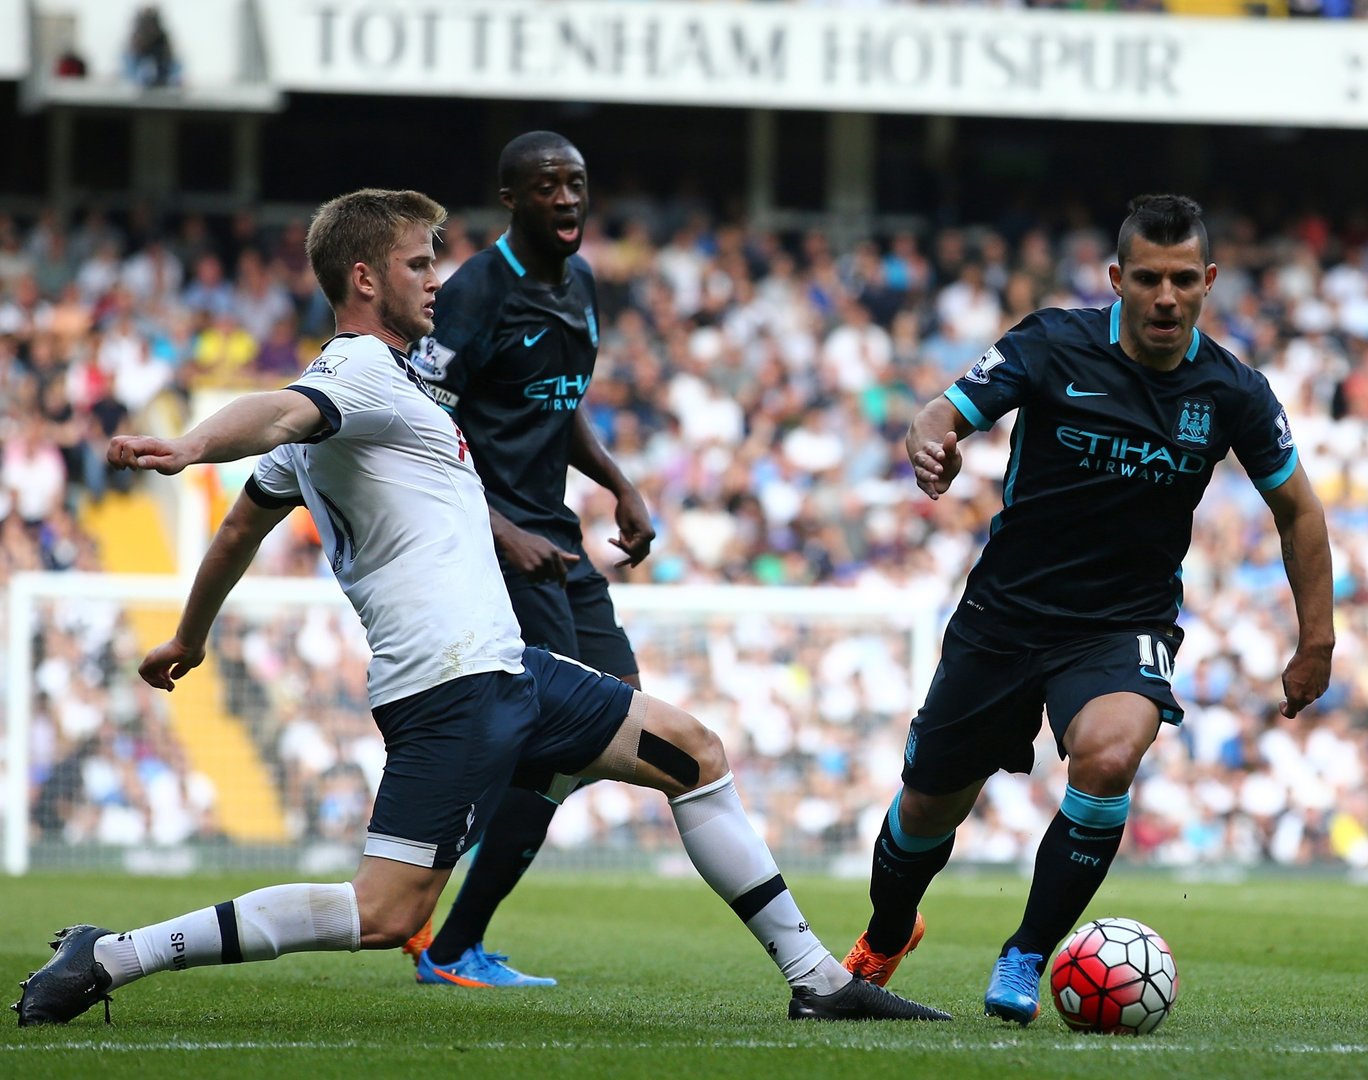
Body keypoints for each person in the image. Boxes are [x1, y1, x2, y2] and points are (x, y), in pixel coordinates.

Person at [14, 188, 948, 1027]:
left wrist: (189, 633)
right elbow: (281, 412)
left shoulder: (383, 388)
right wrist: (188, 446)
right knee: (385, 915)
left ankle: (818, 980)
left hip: (508, 672)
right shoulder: (357, 378)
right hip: (450, 691)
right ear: (367, 277)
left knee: (694, 753)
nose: (437, 278)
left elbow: (236, 535)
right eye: (422, 261)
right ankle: (113, 954)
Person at [838, 194, 1336, 1023]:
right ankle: (889, 933)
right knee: (929, 804)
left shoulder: (1234, 390)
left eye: (1184, 280)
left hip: (1120, 625)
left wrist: (1316, 638)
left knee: (1108, 758)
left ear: (1209, 281)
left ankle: (1027, 952)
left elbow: (1300, 510)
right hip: (1004, 616)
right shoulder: (1052, 343)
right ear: (1118, 279)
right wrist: (933, 440)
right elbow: (943, 410)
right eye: (1147, 279)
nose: (1166, 297)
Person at [399, 131, 651, 988]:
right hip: (495, 541)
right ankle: (441, 930)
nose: (568, 198)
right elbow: (423, 427)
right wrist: (502, 529)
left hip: (560, 540)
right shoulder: (473, 292)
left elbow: (558, 404)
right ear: (512, 198)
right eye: (547, 186)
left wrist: (619, 483)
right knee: (562, 733)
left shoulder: (580, 283)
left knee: (615, 711)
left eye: (576, 182)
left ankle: (428, 894)